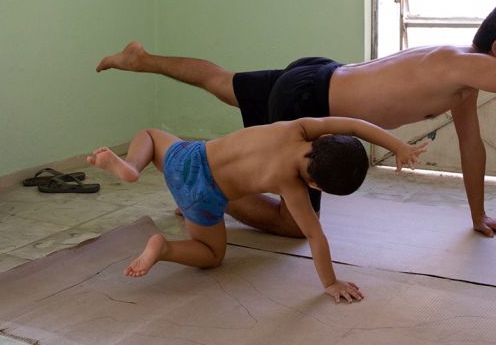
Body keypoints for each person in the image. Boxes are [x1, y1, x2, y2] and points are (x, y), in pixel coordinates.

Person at [96, 4, 496, 239]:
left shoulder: (462, 80)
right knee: (291, 229)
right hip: (312, 99)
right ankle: (203, 187)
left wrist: (476, 216)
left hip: (320, 75)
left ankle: (141, 59)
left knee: (223, 82)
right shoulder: (462, 65)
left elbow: (473, 149)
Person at [87, 116, 427, 303]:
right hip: (204, 200)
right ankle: (165, 248)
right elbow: (314, 235)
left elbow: (354, 125)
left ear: (325, 139)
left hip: (185, 161)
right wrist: (331, 281)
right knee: (210, 253)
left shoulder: (299, 128)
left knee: (150, 131)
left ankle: (131, 167)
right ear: (318, 185)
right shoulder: (290, 184)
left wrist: (397, 144)